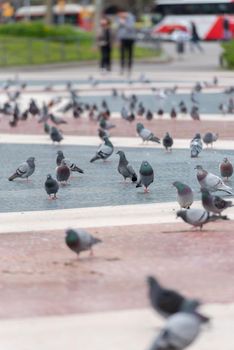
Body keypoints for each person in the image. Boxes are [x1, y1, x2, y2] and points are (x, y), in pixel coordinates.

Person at [116, 11, 136, 77]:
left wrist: (124, 23)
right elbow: (118, 28)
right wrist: (117, 39)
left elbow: (130, 27)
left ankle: (129, 68)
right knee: (122, 54)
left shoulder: (131, 17)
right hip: (122, 38)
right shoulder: (119, 18)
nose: (120, 15)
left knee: (130, 54)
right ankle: (122, 68)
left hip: (130, 38)